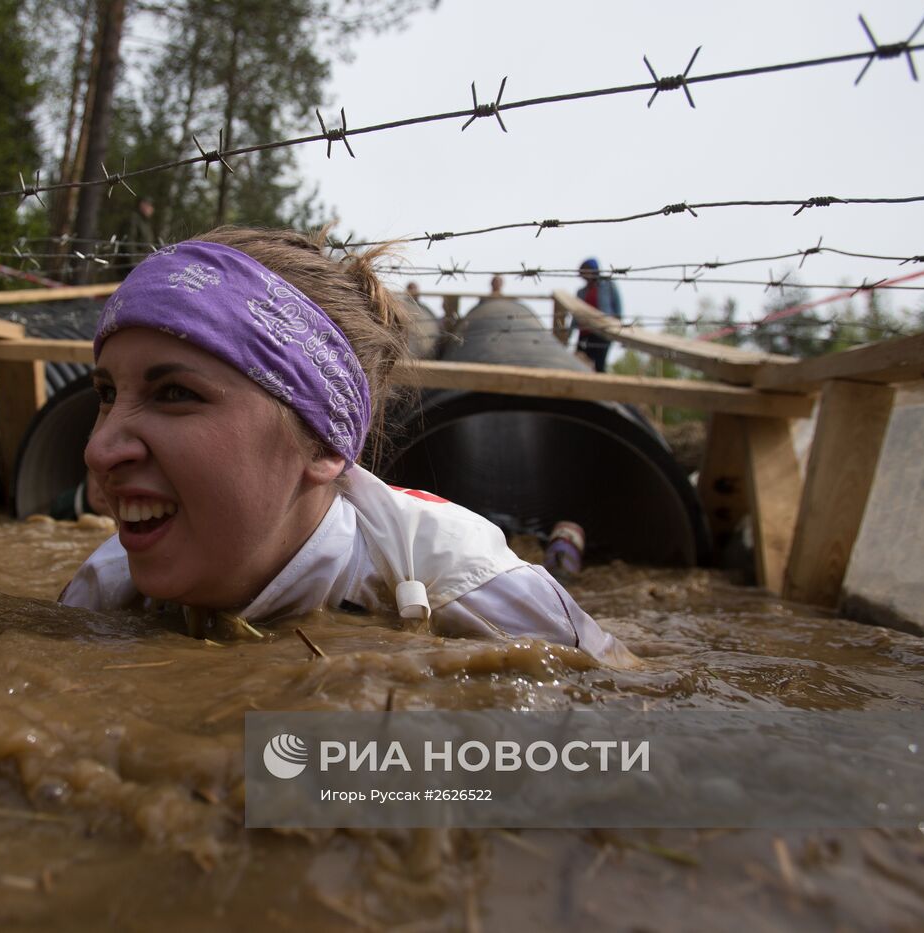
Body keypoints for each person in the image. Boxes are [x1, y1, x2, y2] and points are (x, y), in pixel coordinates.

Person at [59, 228, 632, 665]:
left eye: (175, 393)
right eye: (107, 393)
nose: (99, 449)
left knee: (557, 562)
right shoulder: (107, 584)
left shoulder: (472, 589)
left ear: (323, 446)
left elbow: (627, 697)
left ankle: (564, 542)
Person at [573, 257, 623, 372]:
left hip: (603, 331)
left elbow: (617, 306)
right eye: (583, 271)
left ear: (594, 270)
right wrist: (568, 332)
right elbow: (576, 314)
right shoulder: (581, 292)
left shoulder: (608, 286)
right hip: (585, 333)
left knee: (599, 365)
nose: (584, 274)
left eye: (587, 270)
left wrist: (619, 328)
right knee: (580, 363)